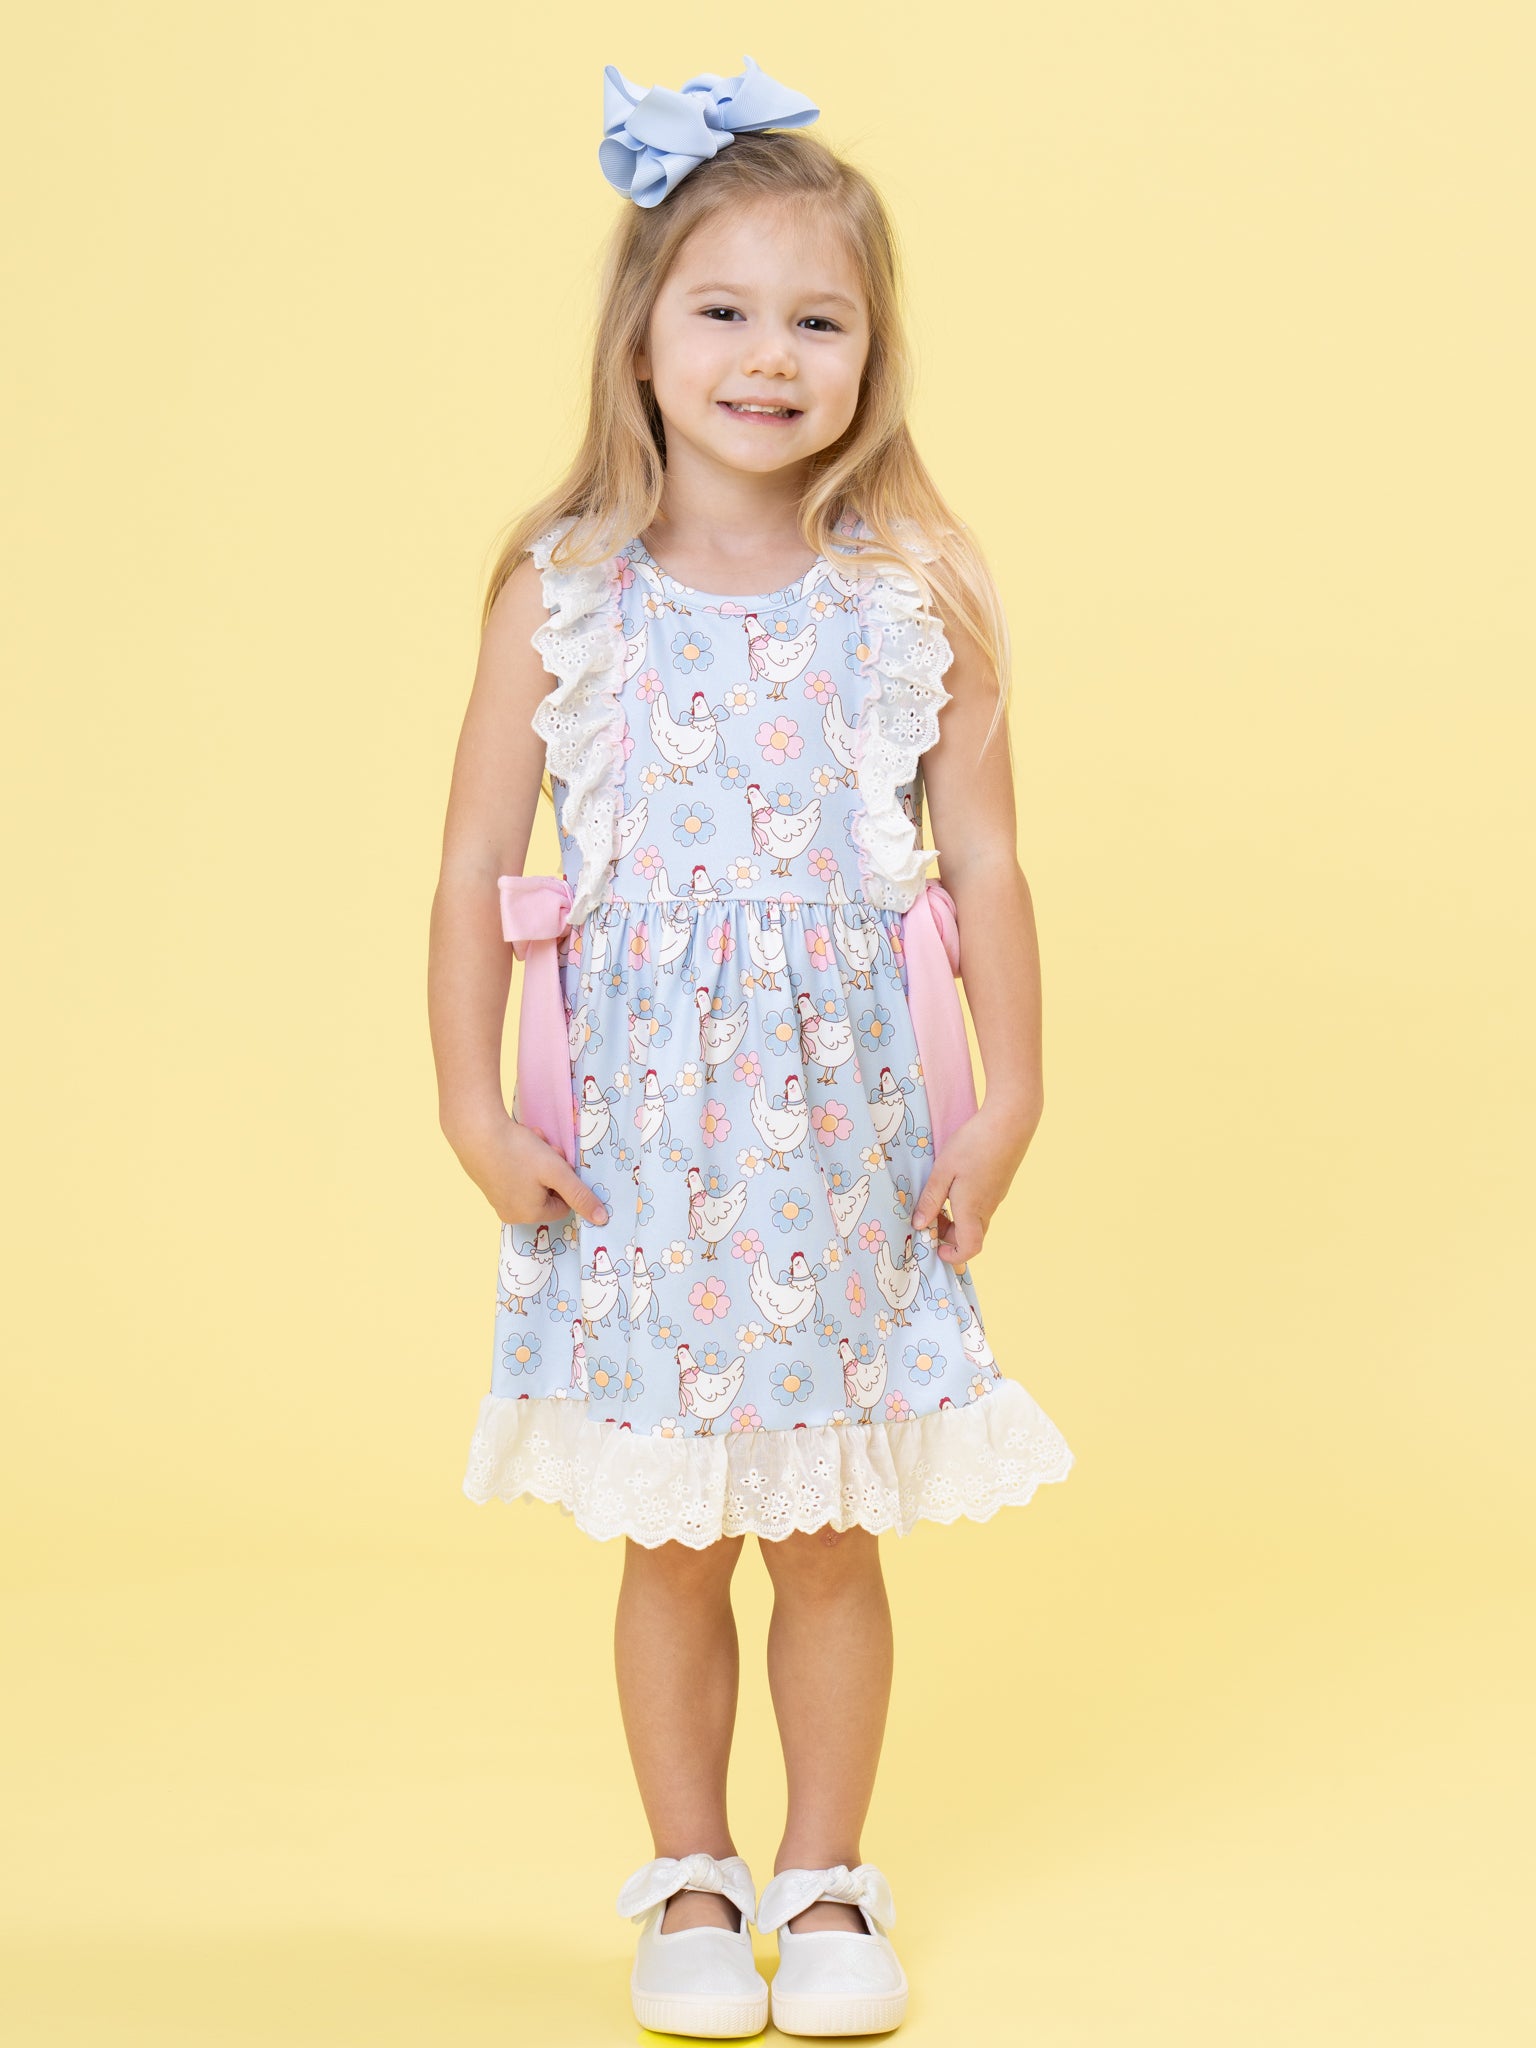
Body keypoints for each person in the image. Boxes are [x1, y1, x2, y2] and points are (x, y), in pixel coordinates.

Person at [427, 54, 1075, 2040]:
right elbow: (472, 866)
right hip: (641, 1155)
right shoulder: (564, 599)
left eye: (817, 321)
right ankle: (694, 1876)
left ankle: (826, 1872)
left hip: (839, 1150)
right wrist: (471, 1105)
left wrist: (1011, 1100)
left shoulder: (913, 596)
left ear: (874, 357)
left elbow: (987, 864)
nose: (768, 358)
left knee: (830, 1534)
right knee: (671, 1540)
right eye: (723, 310)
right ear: (641, 336)